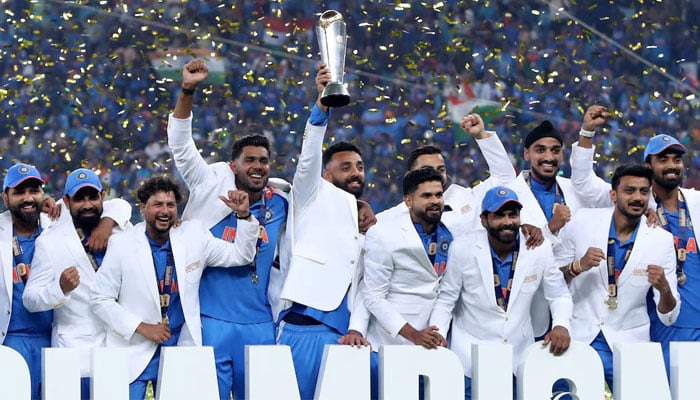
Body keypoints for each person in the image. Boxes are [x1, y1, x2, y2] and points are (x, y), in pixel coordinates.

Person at [167, 59, 289, 400]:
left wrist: (359, 209)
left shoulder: (281, 203)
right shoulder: (208, 183)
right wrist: (187, 90)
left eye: (263, 161)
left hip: (261, 322)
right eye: (249, 160)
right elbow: (180, 146)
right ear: (234, 164)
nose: (257, 166)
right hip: (211, 320)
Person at [90, 176, 259, 399]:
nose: (165, 211)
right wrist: (142, 327)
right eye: (157, 204)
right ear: (143, 207)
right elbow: (99, 299)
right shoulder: (122, 244)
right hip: (133, 349)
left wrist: (244, 216)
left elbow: (242, 255)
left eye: (170, 205)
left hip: (180, 348)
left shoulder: (193, 235)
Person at [274, 64, 375, 400]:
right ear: (327, 175)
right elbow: (307, 160)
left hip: (346, 333)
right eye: (345, 167)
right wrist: (321, 106)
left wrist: (357, 327)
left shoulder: (366, 221)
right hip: (303, 327)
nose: (356, 172)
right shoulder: (311, 194)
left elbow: (364, 283)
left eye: (360, 167)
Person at [430, 186, 572, 399]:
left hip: (519, 356)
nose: (507, 222)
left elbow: (558, 293)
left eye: (512, 215)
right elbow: (446, 300)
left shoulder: (538, 248)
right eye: (499, 215)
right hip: (469, 358)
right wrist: (438, 334)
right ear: (483, 220)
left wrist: (561, 325)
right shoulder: (463, 248)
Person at [554, 163, 680, 392]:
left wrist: (664, 289)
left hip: (630, 342)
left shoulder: (661, 240)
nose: (637, 197)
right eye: (629, 191)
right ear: (613, 195)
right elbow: (552, 281)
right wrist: (577, 267)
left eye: (643, 191)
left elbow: (669, 315)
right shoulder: (582, 222)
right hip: (580, 336)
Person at [22, 168, 132, 399]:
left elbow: (123, 206)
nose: (87, 204)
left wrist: (109, 221)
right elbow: (30, 299)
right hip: (74, 354)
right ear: (66, 201)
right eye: (79, 199)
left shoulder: (124, 231)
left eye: (92, 197)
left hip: (119, 350)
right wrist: (59, 289)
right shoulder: (50, 242)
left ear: (103, 197)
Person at [353, 167, 451, 398]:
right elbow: (373, 296)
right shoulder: (385, 234)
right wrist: (414, 335)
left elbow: (445, 292)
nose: (435, 201)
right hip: (391, 343)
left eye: (438, 195)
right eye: (426, 196)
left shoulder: (451, 232)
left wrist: (437, 332)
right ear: (408, 200)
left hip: (433, 342)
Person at [376, 113, 516, 237]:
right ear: (409, 176)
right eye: (426, 169)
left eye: (441, 169)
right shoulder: (390, 219)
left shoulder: (469, 198)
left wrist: (481, 135)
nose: (435, 175)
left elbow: (505, 177)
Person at [642, 134, 700, 375]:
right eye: (663, 159)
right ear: (648, 166)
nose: (672, 165)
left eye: (676, 159)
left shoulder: (696, 202)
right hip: (664, 327)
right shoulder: (637, 208)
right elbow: (586, 184)